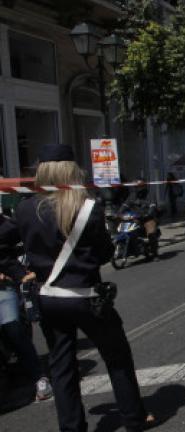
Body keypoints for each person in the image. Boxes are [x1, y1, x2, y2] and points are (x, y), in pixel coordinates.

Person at [0, 145, 154, 432]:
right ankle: (133, 418)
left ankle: (71, 427)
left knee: (62, 366)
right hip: (87, 296)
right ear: (72, 171)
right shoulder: (88, 208)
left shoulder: (25, 209)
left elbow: (3, 245)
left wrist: (19, 273)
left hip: (48, 298)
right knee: (117, 356)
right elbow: (105, 253)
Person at [0, 217, 52, 401]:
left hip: (3, 286)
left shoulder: (6, 227)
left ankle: (39, 377)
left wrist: (18, 273)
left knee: (12, 327)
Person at [121, 182, 160, 259]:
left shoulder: (150, 195)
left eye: (140, 186)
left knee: (151, 233)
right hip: (135, 218)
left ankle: (155, 253)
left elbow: (152, 206)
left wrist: (148, 213)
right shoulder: (132, 196)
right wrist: (119, 213)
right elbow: (125, 205)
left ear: (144, 187)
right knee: (125, 230)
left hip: (147, 219)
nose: (138, 188)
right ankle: (131, 248)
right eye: (136, 186)